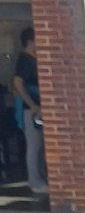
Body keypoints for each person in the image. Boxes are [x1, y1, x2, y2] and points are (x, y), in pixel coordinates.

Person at [13, 25, 48, 197]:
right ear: (30, 41)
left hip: (37, 108)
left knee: (40, 145)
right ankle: (34, 181)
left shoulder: (33, 59)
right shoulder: (25, 60)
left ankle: (40, 178)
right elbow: (18, 82)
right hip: (32, 109)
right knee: (34, 145)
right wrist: (32, 104)